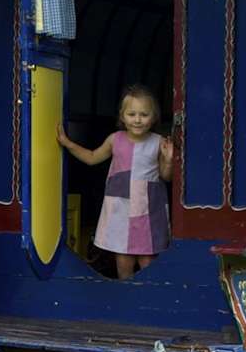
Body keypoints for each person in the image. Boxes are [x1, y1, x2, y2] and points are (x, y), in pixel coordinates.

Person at [57, 85, 174, 279]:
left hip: (149, 209)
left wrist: (169, 159)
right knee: (123, 259)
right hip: (121, 208)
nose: (137, 119)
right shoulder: (115, 139)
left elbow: (166, 176)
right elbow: (92, 157)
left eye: (144, 114)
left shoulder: (158, 141)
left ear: (154, 117)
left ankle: (148, 300)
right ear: (122, 116)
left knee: (148, 260)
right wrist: (68, 143)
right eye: (132, 114)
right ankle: (126, 299)